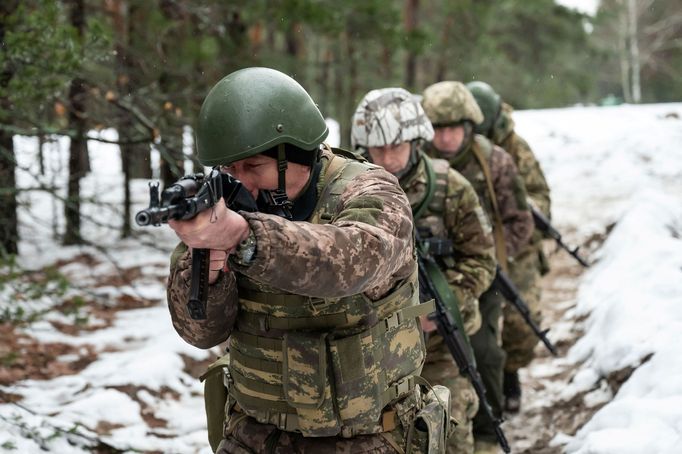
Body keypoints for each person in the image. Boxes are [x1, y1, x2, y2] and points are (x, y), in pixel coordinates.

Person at [165, 67, 445, 453]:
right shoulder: (226, 207)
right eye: (230, 169)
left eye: (253, 167)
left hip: (370, 437)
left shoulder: (371, 191)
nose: (241, 183)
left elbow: (349, 264)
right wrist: (208, 269)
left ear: (295, 152)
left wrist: (244, 237)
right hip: (254, 435)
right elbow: (200, 334)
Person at [351, 87, 497, 454]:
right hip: (368, 346)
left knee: (449, 430)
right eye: (376, 149)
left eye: (395, 147)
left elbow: (481, 259)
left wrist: (437, 307)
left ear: (416, 142)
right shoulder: (346, 189)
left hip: (439, 344)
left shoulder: (450, 189)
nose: (385, 158)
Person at [421, 81, 534, 454]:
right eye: (438, 128)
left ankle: (487, 430)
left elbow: (520, 221)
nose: (446, 137)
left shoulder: (494, 161)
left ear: (469, 125)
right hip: (423, 279)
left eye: (453, 128)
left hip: (479, 276)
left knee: (484, 354)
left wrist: (488, 259)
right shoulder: (416, 163)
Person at [467, 81, 552, 413]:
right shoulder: (457, 147)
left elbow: (541, 197)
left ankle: (510, 372)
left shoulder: (516, 149)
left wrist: (520, 206)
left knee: (520, 322)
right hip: (474, 244)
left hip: (515, 244)